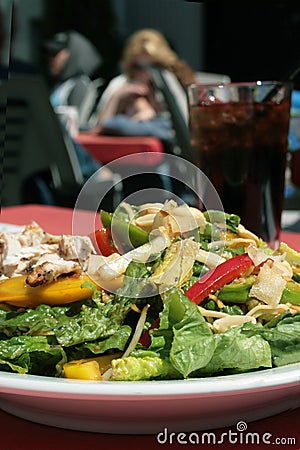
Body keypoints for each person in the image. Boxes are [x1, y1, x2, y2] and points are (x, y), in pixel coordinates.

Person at [91, 28, 197, 144]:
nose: (145, 73)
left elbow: (185, 126)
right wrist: (117, 97)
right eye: (138, 67)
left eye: (152, 66)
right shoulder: (121, 83)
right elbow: (98, 130)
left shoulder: (168, 82)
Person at [43, 30, 102, 116]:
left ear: (71, 54)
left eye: (55, 54)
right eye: (49, 54)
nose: (51, 59)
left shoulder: (78, 84)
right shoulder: (59, 84)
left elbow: (74, 121)